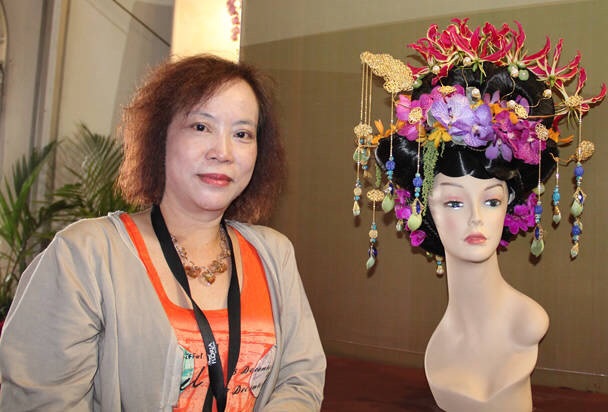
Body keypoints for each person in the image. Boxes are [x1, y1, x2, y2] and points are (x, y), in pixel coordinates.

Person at [0, 54, 326, 411]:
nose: (223, 152)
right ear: (159, 137)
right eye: (201, 127)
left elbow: (300, 380)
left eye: (242, 134)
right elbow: (43, 400)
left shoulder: (274, 254)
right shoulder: (85, 255)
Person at [364, 19, 604, 412]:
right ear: (423, 210)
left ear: (511, 204)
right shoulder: (441, 343)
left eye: (491, 201)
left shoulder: (527, 323)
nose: (475, 218)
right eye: (454, 203)